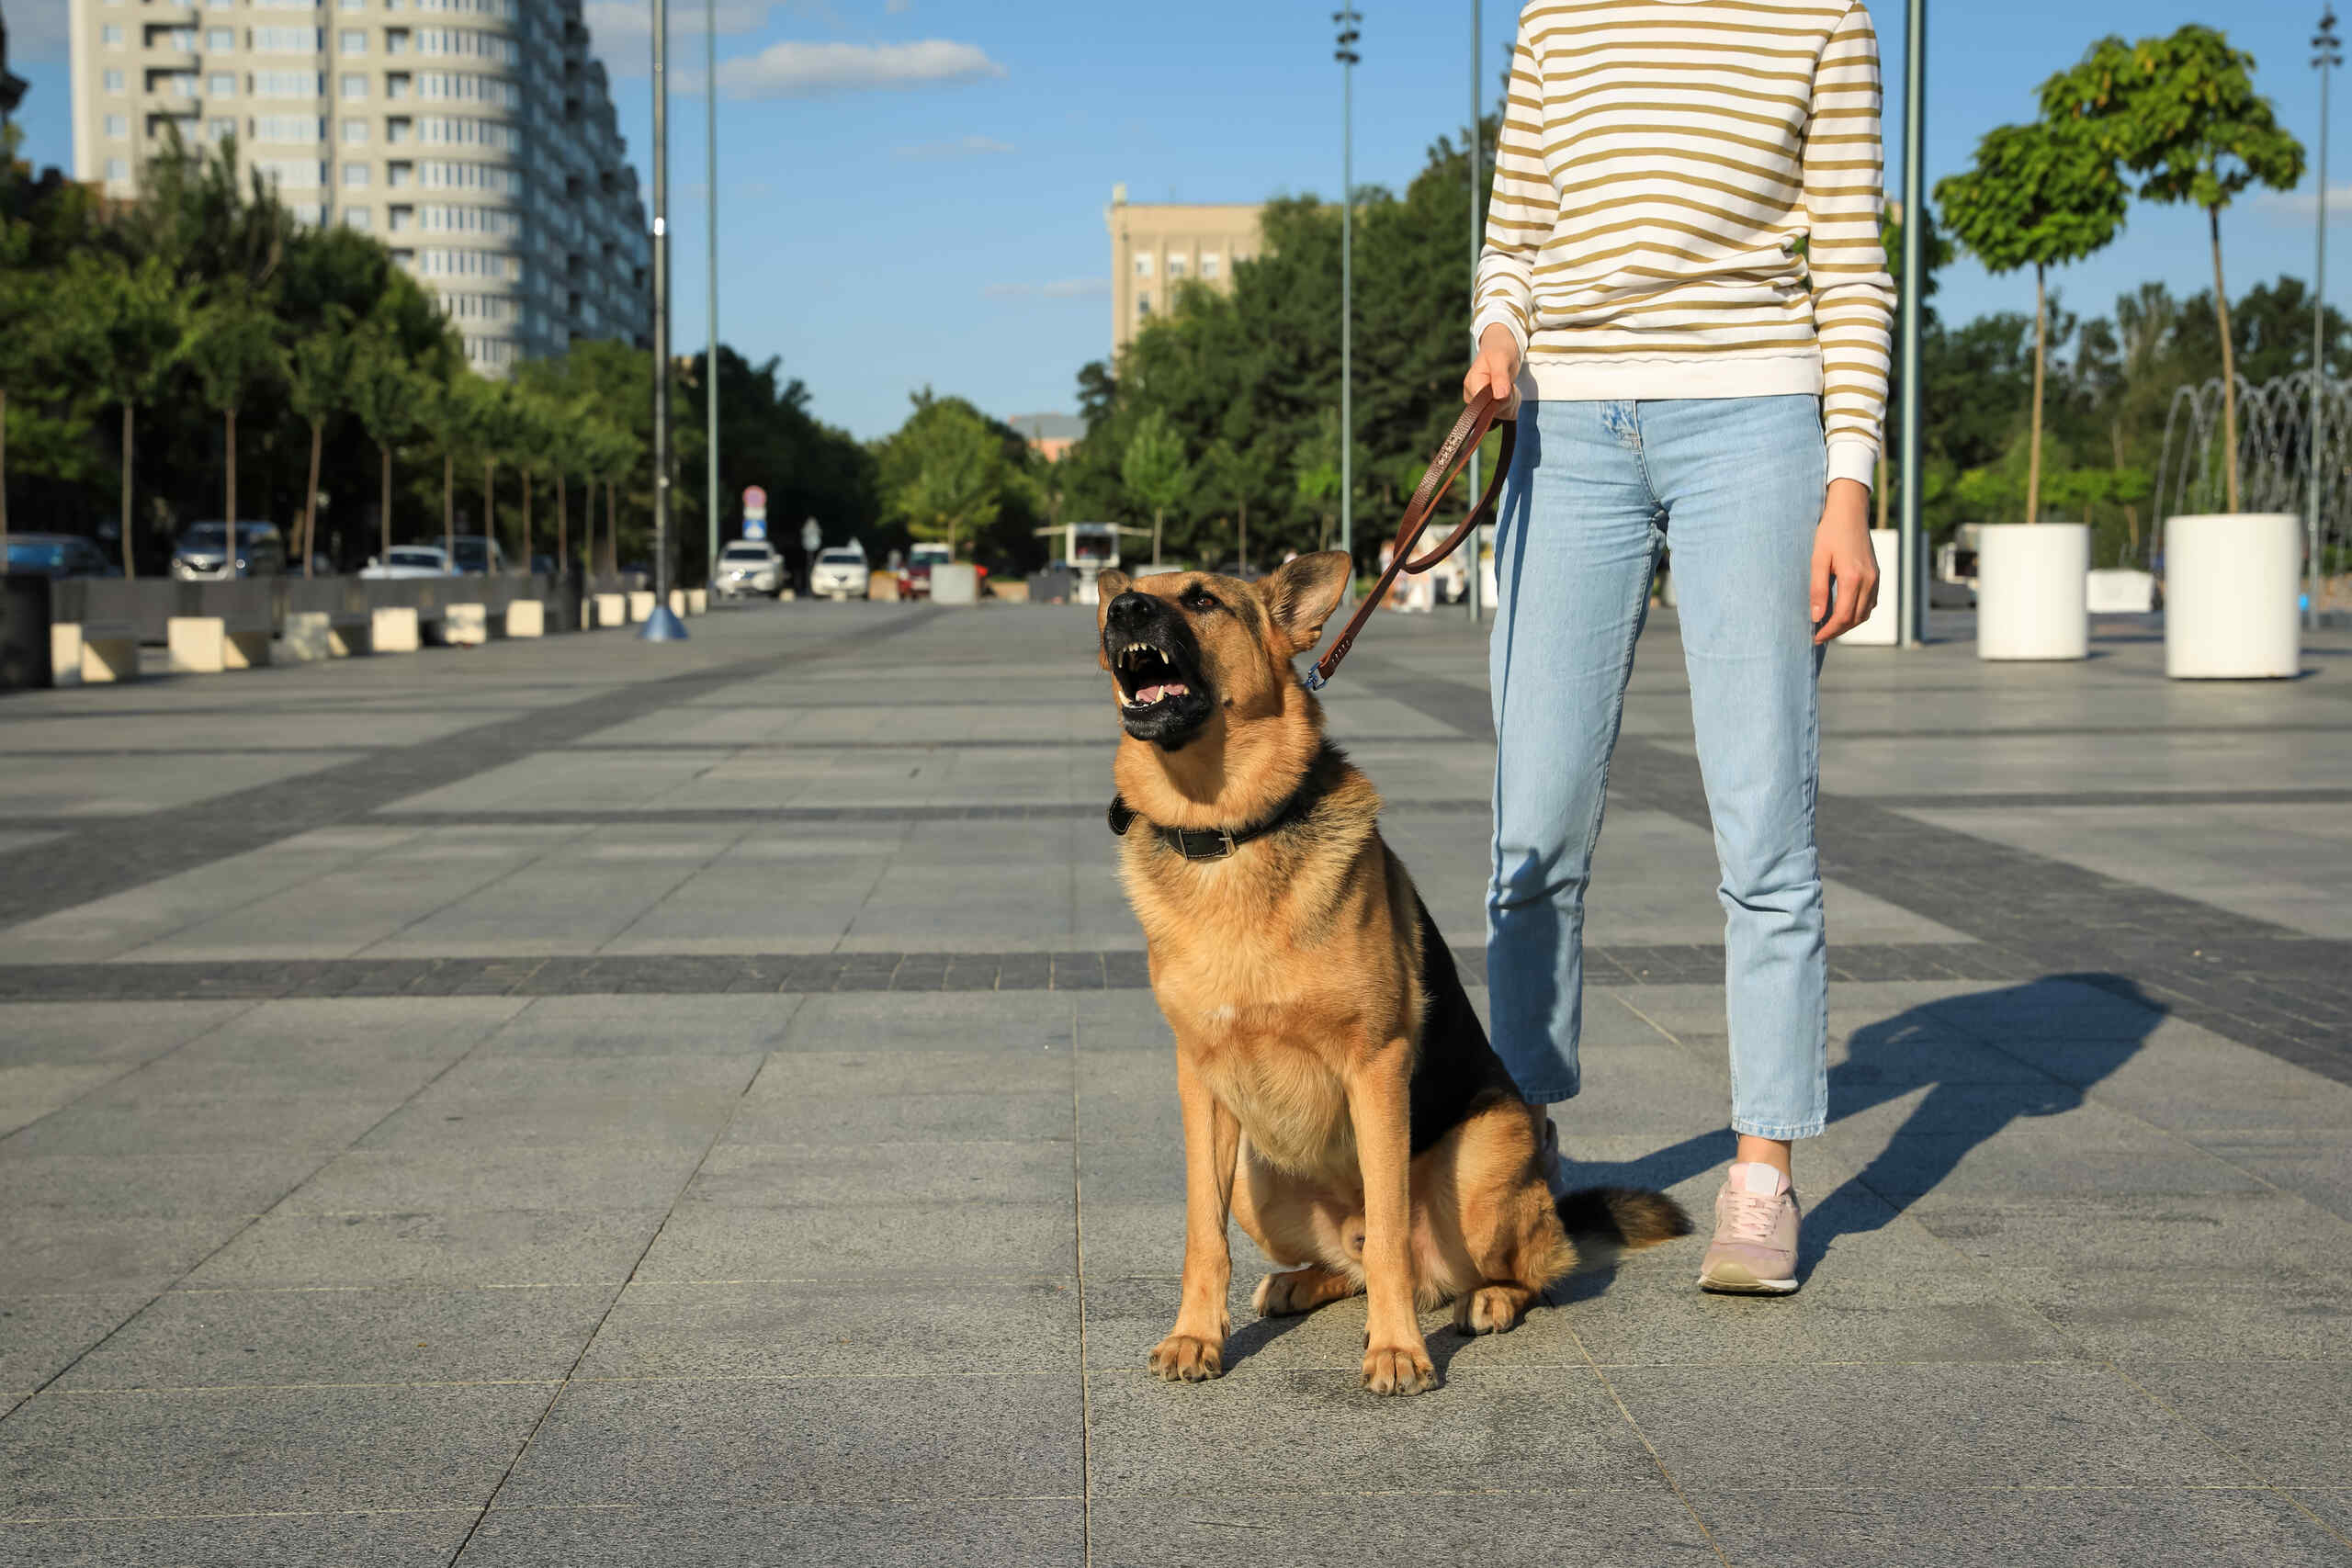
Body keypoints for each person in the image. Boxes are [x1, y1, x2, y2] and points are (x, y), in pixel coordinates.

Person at [1462, 0, 1894, 1294]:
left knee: (1764, 819)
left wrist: (1851, 484)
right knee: (1531, 835)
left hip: (1755, 419)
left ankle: (1763, 1168)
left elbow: (1852, 263)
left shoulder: (1826, 15)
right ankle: (1521, 1141)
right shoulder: (1557, 15)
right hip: (1568, 429)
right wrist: (1498, 335)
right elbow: (1517, 233)